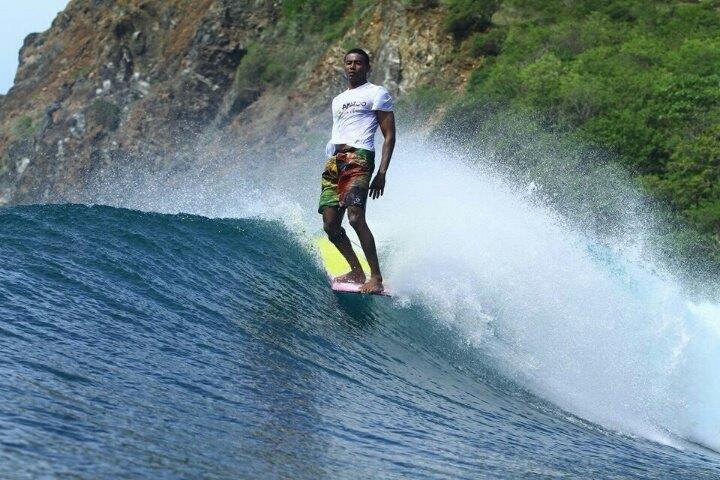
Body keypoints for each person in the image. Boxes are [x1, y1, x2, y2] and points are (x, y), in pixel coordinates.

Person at [318, 48, 396, 294]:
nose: (353, 66)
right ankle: (356, 270)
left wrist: (381, 173)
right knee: (330, 225)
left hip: (359, 157)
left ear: (367, 67)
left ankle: (376, 277)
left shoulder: (376, 93)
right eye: (349, 63)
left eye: (358, 63)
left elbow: (389, 135)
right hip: (335, 161)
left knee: (355, 218)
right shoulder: (338, 100)